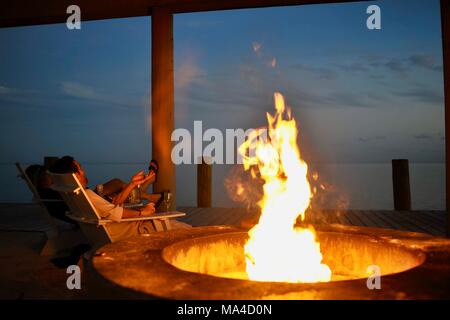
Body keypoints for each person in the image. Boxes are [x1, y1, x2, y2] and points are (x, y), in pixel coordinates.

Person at [49, 156, 190, 241]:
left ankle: (148, 192)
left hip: (110, 231)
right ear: (75, 174)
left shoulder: (76, 196)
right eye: (80, 168)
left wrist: (132, 184)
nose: (83, 171)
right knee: (187, 230)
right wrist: (142, 213)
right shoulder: (89, 196)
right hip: (133, 230)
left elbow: (114, 205)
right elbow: (117, 213)